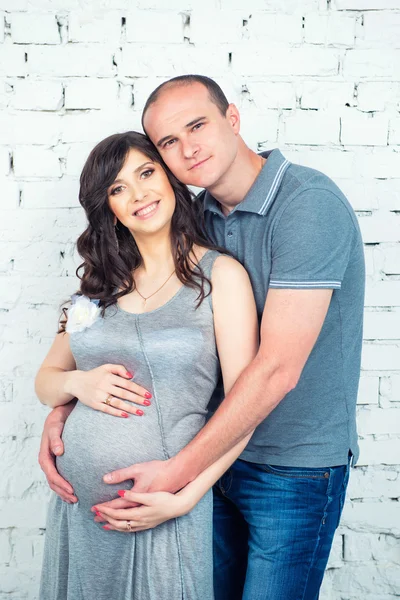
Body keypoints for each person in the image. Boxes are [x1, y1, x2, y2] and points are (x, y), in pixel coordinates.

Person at [39, 76, 365, 600]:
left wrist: (180, 482)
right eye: (168, 142)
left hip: (290, 465)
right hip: (215, 456)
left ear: (232, 119)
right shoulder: (201, 215)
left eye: (198, 126)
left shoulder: (307, 206)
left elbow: (276, 370)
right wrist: (67, 407)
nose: (187, 148)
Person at [35, 130, 258, 600]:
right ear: (108, 209)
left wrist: (184, 498)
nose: (138, 194)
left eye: (146, 172)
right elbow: (45, 381)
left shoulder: (221, 276)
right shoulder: (98, 288)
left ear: (171, 179)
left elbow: (246, 410)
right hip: (79, 514)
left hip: (161, 507)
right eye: (118, 188)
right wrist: (78, 384)